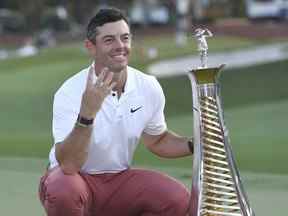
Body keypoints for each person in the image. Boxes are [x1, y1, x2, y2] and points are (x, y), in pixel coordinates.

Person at [38, 7, 193, 216]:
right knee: (64, 190)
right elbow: (68, 164)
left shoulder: (148, 86)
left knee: (178, 200)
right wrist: (87, 114)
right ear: (90, 47)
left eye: (125, 38)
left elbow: (157, 140)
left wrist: (196, 144)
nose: (120, 46)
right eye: (109, 40)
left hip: (119, 180)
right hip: (75, 179)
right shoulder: (70, 91)